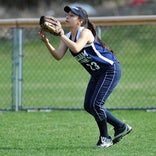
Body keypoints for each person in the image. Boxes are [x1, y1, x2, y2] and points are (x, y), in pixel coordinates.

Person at [39, 6, 132, 148]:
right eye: (67, 15)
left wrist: (61, 35)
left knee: (96, 104)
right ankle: (120, 127)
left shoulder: (85, 32)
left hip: (109, 69)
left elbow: (77, 48)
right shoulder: (68, 36)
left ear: (80, 21)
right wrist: (47, 43)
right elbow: (58, 56)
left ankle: (105, 138)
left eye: (71, 15)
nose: (67, 17)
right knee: (89, 106)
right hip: (97, 74)